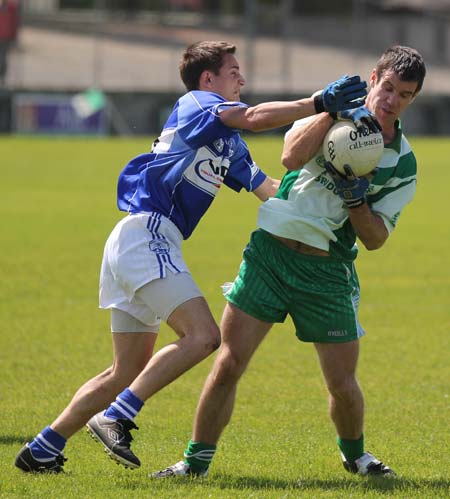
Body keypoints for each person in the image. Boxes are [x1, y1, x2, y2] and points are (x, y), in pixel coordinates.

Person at [14, 40, 369, 473]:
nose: (241, 78)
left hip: (138, 242)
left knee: (125, 370)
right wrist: (317, 103)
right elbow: (254, 117)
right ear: (208, 79)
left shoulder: (228, 143)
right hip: (147, 234)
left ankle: (42, 449)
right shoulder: (198, 104)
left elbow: (271, 189)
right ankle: (116, 416)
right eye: (233, 71)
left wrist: (333, 190)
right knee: (204, 337)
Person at [151, 45, 426, 479]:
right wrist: (329, 112)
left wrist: (357, 201)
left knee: (341, 382)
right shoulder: (334, 107)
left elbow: (376, 238)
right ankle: (194, 462)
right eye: (387, 87)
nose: (391, 100)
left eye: (404, 95)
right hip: (271, 253)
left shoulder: (403, 163)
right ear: (373, 78)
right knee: (228, 362)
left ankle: (356, 456)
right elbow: (290, 156)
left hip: (327, 269)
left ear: (412, 99)